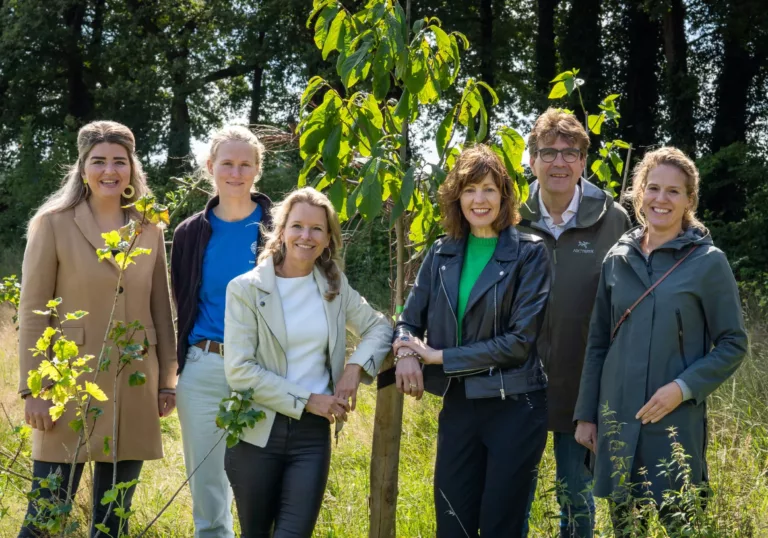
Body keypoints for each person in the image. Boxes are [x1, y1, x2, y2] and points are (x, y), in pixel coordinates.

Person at [573, 147, 748, 534]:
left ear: (689, 200)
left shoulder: (709, 262)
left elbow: (733, 342)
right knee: (626, 528)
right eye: (653, 188)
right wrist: (587, 414)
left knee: (681, 524)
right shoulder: (616, 259)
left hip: (673, 423)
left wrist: (683, 389)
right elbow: (598, 342)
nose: (661, 199)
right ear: (638, 193)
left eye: (673, 191)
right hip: (617, 420)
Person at [17, 120, 177, 537]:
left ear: (132, 168)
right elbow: (34, 311)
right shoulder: (53, 223)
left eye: (119, 161)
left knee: (112, 524)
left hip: (134, 382)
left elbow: (162, 308)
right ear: (83, 166)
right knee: (45, 517)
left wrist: (168, 381)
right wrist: (32, 389)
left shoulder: (150, 227)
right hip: (66, 386)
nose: (110, 170)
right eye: (99, 160)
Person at [394, 144, 551, 537]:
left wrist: (437, 356)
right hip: (460, 404)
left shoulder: (531, 254)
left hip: (515, 406)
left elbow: (519, 343)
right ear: (456, 197)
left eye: (489, 189)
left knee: (501, 526)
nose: (479, 200)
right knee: (452, 524)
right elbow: (408, 321)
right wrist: (404, 352)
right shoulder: (441, 253)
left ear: (505, 195)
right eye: (469, 190)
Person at [222, 187, 392, 537]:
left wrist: (354, 367)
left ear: (329, 238)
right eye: (297, 226)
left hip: (311, 436)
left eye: (317, 229)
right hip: (256, 433)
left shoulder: (334, 286)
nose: (306, 236)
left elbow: (379, 326)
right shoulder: (245, 290)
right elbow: (239, 371)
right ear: (280, 231)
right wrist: (308, 400)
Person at [517, 108, 631, 538]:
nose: (559, 162)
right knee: (514, 498)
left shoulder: (613, 218)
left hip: (583, 385)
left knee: (577, 502)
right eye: (548, 152)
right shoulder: (510, 216)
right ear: (532, 160)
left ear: (584, 161)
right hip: (517, 382)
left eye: (570, 153)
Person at [170, 125, 272, 538]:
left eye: (245, 164)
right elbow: (181, 302)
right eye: (226, 163)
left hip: (267, 366)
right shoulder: (189, 233)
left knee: (259, 476)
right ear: (210, 167)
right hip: (205, 364)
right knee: (208, 482)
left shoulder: (281, 226)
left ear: (257, 170)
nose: (235, 172)